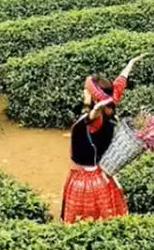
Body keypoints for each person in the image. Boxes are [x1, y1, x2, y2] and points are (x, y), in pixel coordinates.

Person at [61, 54, 144, 223]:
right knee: (107, 221)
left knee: (83, 222)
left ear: (95, 98)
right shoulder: (110, 106)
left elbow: (92, 117)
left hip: (86, 180)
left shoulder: (95, 119)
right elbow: (118, 85)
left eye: (86, 90)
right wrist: (130, 64)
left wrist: (94, 110)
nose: (84, 92)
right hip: (103, 175)